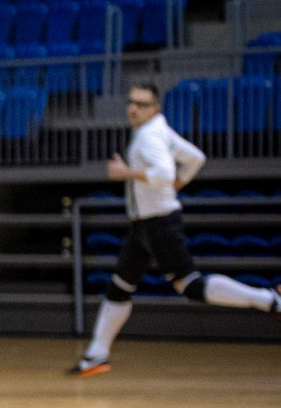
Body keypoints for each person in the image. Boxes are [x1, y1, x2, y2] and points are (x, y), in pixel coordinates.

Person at [70, 81, 280, 376]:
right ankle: (96, 355)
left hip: (159, 223)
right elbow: (195, 158)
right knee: (120, 286)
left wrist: (127, 172)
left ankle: (269, 300)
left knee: (190, 285)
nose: (133, 108)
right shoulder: (158, 130)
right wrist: (180, 182)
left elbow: (164, 172)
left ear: (155, 108)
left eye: (141, 104)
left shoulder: (149, 136)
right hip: (144, 225)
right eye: (131, 102)